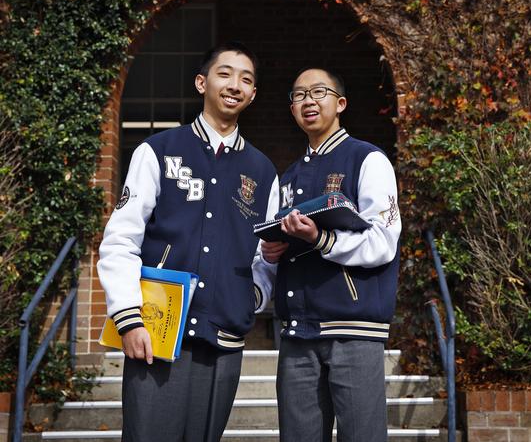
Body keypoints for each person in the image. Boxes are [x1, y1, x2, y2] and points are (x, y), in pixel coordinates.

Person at [98, 41, 279, 442]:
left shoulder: (263, 172)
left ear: (253, 95)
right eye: (225, 73)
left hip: (224, 342)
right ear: (202, 82)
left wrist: (250, 297)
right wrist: (128, 317)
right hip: (157, 335)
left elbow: (265, 257)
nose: (235, 85)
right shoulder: (158, 151)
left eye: (246, 80)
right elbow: (121, 239)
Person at [256, 67, 402, 442]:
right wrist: (271, 253)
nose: (308, 101)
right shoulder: (284, 179)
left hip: (354, 331)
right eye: (299, 95)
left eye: (318, 92)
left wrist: (322, 238)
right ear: (291, 110)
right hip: (296, 333)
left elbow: (383, 241)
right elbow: (266, 257)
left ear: (340, 103)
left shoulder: (367, 160)